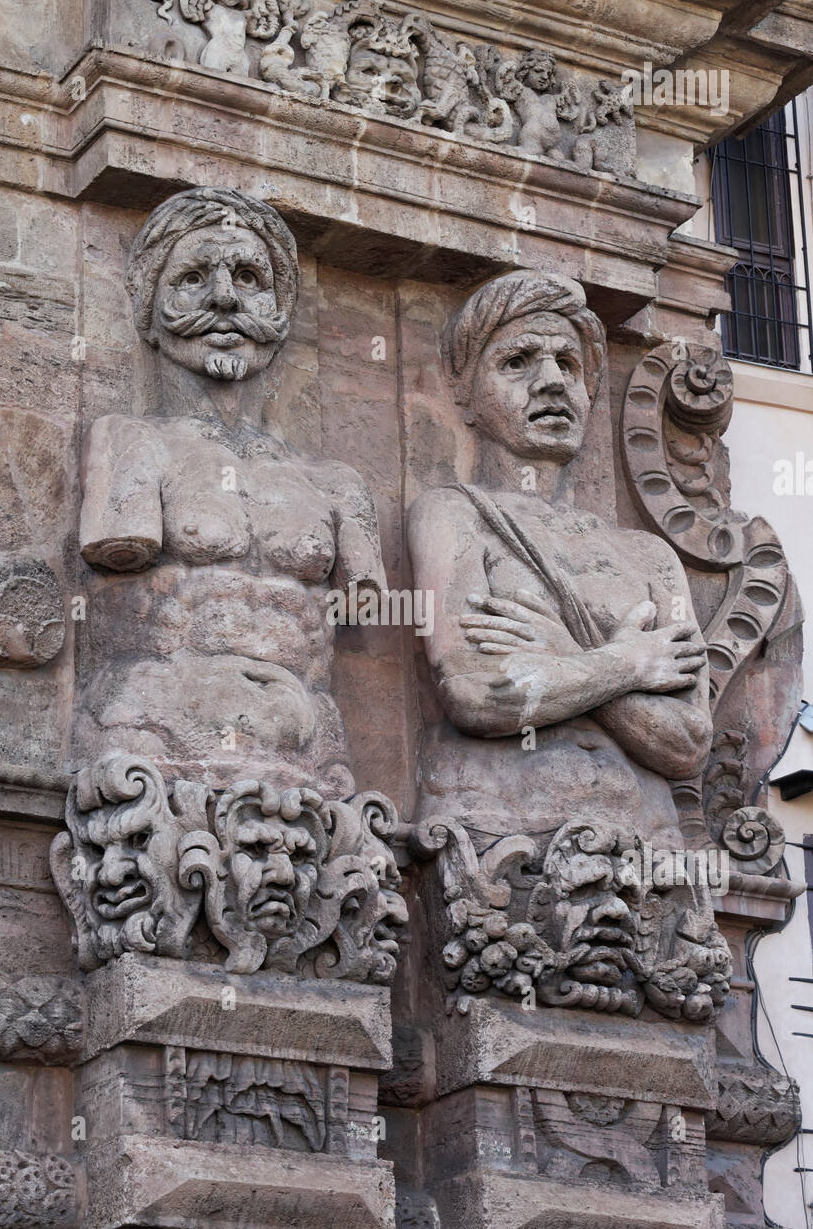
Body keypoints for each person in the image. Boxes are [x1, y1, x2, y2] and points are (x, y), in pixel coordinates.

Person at [76, 187, 386, 796]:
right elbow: (117, 547)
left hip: (311, 750)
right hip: (155, 736)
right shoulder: (131, 442)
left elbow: (366, 607)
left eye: (248, 277)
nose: (223, 298)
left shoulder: (337, 484)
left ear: (281, 311)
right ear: (148, 308)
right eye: (193, 277)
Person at [407, 269, 712, 858]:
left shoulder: (652, 556)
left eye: (568, 365)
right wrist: (627, 664)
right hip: (498, 834)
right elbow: (476, 693)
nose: (551, 381)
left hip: (644, 845)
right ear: (467, 395)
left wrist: (565, 657)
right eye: (518, 361)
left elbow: (687, 744)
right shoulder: (452, 515)